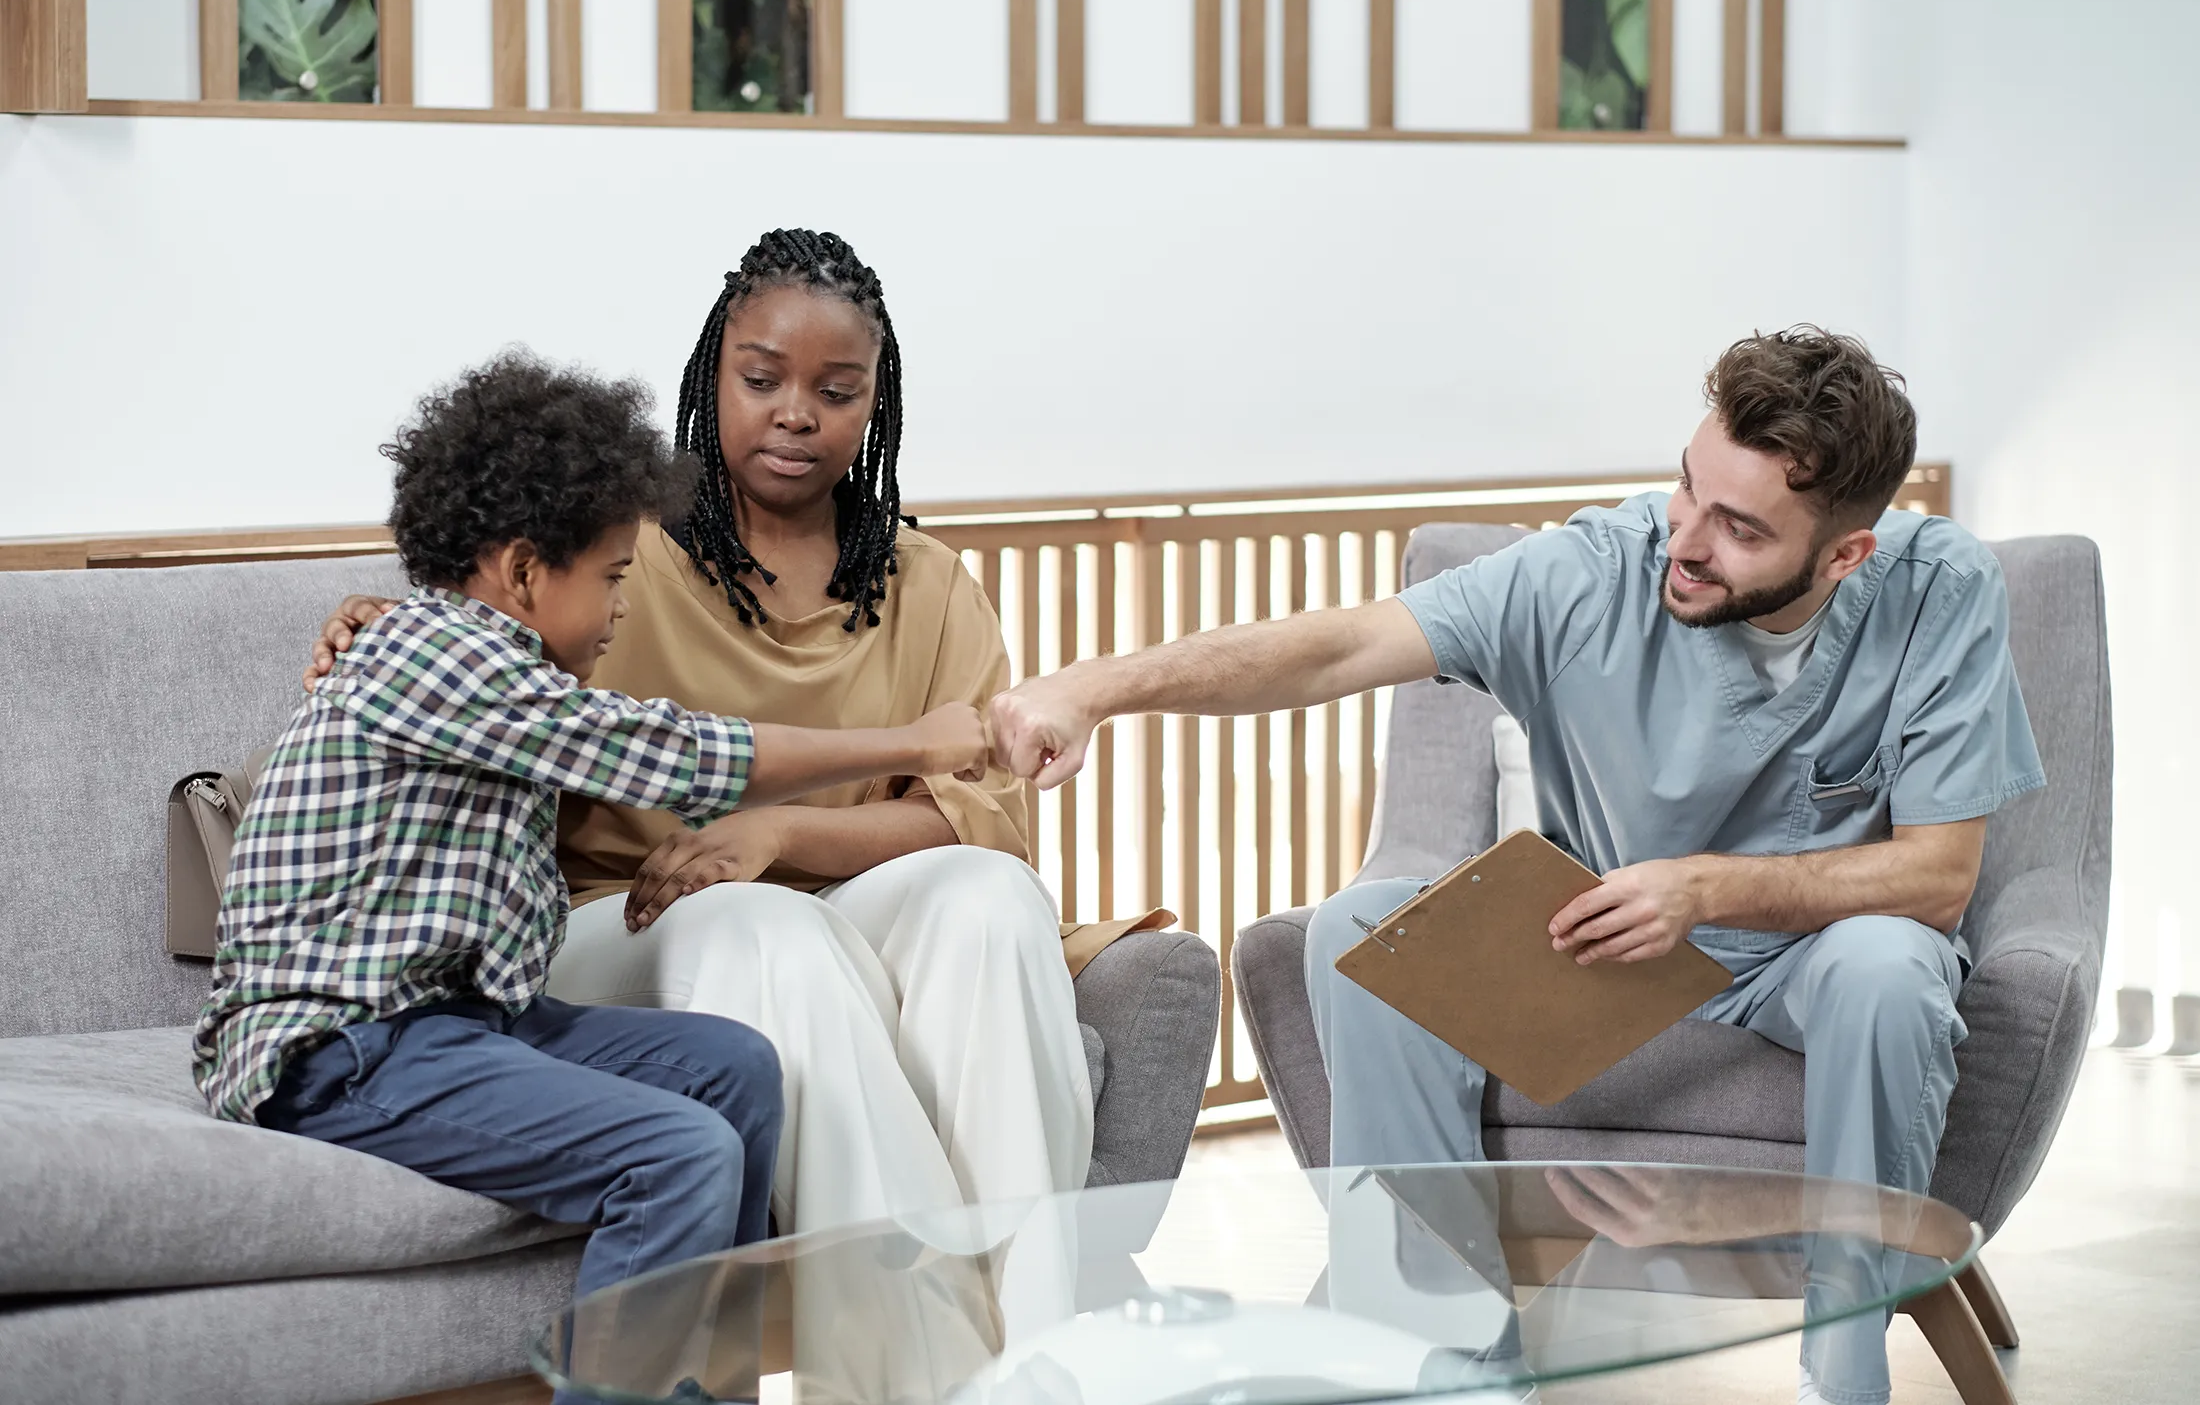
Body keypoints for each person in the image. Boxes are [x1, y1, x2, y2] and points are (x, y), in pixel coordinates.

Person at [990, 326, 2044, 1405]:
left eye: (1737, 528)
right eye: (1687, 489)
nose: (1684, 539)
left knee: (1890, 967)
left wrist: (1704, 887)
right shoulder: (1587, 574)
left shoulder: (1938, 589)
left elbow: (1935, 877)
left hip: (1811, 954)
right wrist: (1099, 685)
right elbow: (1338, 646)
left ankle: (1845, 1355)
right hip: (1607, 949)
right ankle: (1433, 1350)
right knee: (1360, 931)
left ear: (1843, 555)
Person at [198, 350, 991, 1375]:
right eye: (613, 575)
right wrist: (914, 744)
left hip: (454, 1024)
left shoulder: (460, 650)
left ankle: (704, 1389)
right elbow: (682, 754)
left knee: (735, 1067)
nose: (623, 605)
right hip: (341, 1049)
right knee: (678, 1152)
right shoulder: (447, 661)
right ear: (526, 572)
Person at [303, 229, 1094, 1243]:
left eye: (838, 390)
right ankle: (905, 1346)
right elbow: (481, 637)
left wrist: (778, 836)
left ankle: (1030, 1330)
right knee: (761, 925)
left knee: (991, 896)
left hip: (832, 894)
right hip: (618, 919)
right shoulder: (613, 553)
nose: (795, 413)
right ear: (711, 372)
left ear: (875, 404)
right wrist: (379, 614)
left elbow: (971, 816)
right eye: (760, 378)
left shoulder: (928, 580)